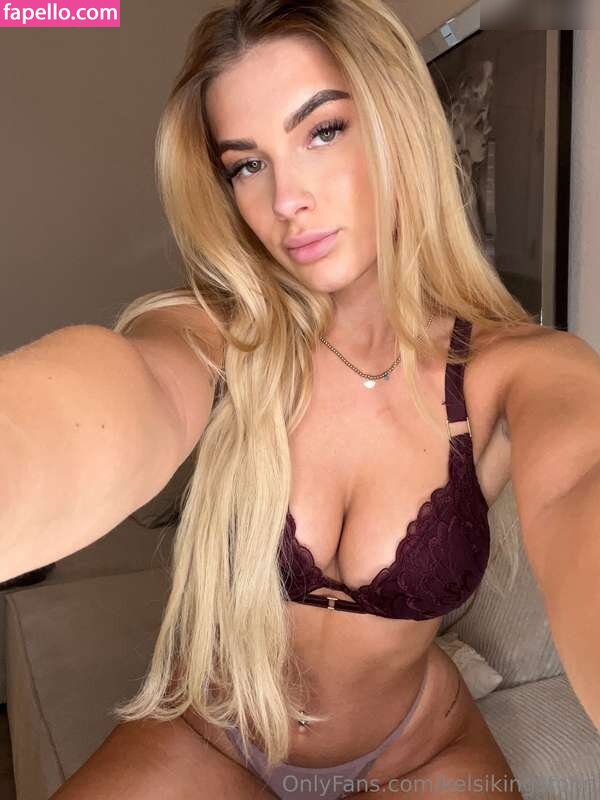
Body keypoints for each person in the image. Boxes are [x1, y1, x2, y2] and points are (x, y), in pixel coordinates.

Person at [1, 1, 599, 798]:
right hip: (212, 734)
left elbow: (581, 483)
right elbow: (122, 390)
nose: (286, 199)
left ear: (398, 125)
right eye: (247, 165)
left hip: (416, 748)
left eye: (323, 131)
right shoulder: (220, 334)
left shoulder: (518, 368)